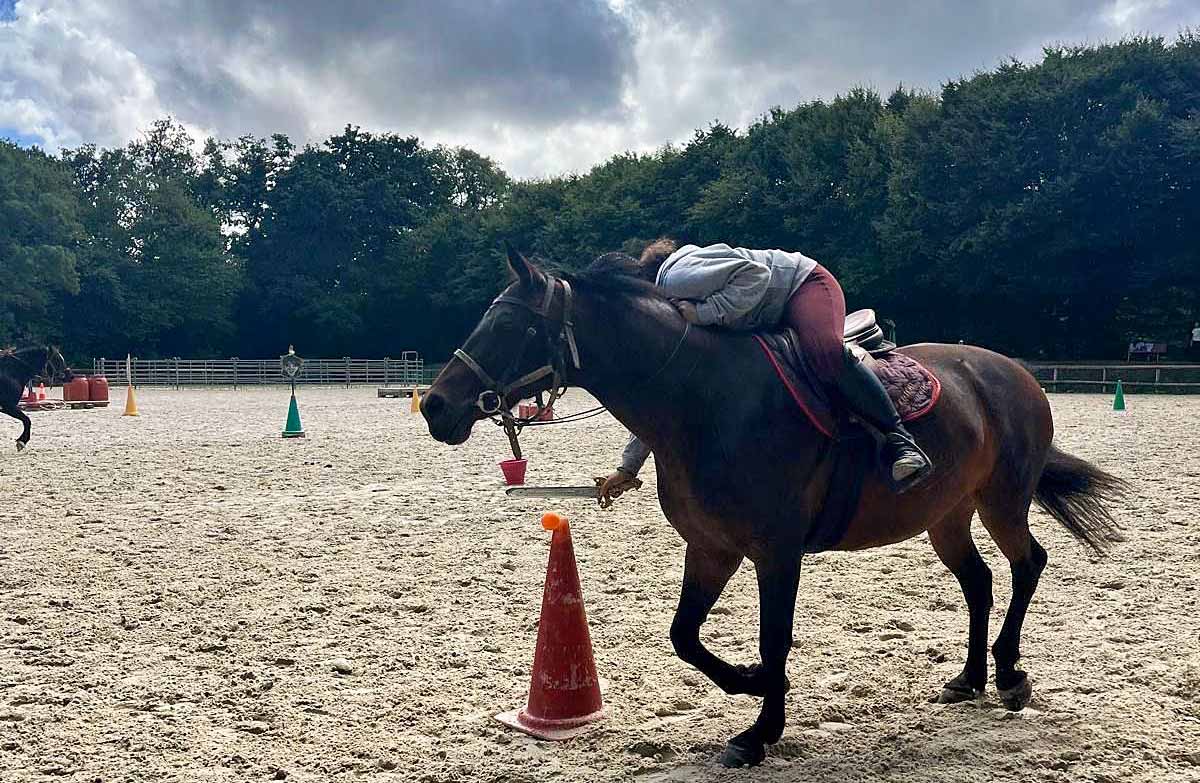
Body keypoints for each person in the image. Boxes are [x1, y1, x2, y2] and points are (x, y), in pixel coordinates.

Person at [599, 238, 932, 502]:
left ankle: (900, 441)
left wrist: (704, 313)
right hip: (768, 304)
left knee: (824, 352)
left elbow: (755, 275)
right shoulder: (673, 296)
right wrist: (629, 467)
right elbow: (667, 402)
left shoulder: (678, 279)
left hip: (805, 285)